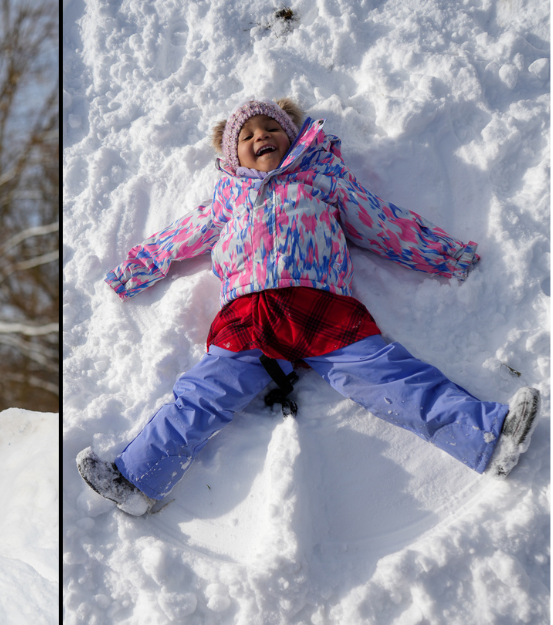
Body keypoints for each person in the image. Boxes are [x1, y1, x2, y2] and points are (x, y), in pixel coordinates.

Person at [77, 98, 540, 516]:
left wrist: (445, 254)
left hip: (322, 306)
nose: (261, 136)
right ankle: (136, 477)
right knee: (202, 394)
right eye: (247, 134)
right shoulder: (226, 198)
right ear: (229, 155)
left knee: (389, 377)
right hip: (249, 317)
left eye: (271, 128)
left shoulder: (322, 179)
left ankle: (485, 437)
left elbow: (383, 223)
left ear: (293, 137)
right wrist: (133, 271)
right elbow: (177, 239)